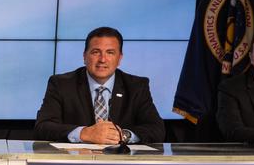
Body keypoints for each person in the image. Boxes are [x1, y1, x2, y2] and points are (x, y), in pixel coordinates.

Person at [34, 26, 164, 144]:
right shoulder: (61, 84)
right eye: (96, 52)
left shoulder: (136, 86)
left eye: (110, 52)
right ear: (85, 56)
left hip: (121, 164)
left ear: (119, 58)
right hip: (75, 163)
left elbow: (157, 129)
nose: (102, 59)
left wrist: (122, 135)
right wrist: (84, 133)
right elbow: (43, 127)